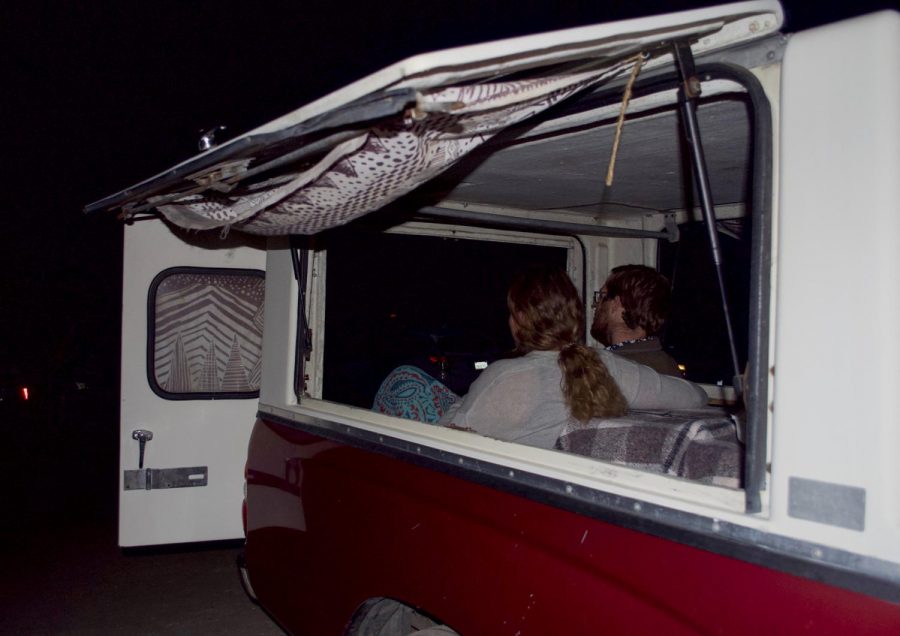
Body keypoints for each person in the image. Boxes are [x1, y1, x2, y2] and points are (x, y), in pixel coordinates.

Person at [438, 265, 707, 449]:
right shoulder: (607, 365)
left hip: (505, 493)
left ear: (519, 319)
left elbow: (441, 441)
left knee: (407, 376)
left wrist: (459, 402)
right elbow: (696, 397)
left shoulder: (503, 376)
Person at [591, 264, 681, 376]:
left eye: (601, 296)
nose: (595, 305)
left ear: (617, 303)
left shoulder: (609, 369)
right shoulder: (668, 365)